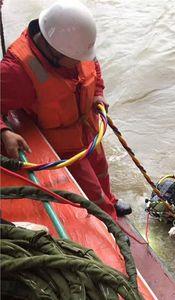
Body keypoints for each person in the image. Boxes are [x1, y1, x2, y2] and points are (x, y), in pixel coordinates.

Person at [0, 0, 131, 219]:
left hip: (88, 129)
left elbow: (93, 66)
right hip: (64, 147)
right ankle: (110, 224)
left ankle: (111, 201)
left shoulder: (75, 47)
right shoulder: (17, 72)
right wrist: (4, 132)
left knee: (102, 173)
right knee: (90, 192)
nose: (83, 61)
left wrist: (98, 92)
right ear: (55, 52)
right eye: (77, 58)